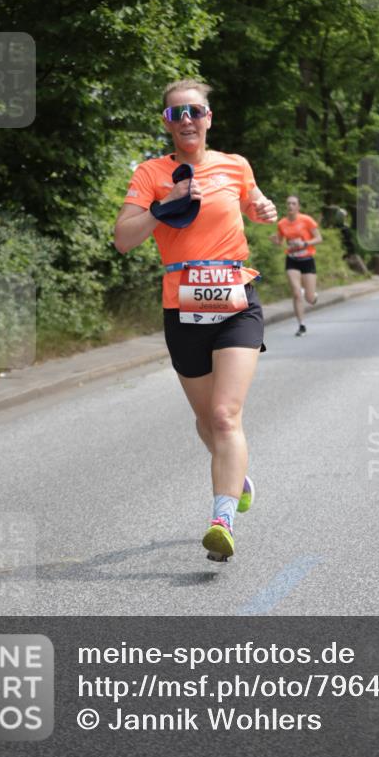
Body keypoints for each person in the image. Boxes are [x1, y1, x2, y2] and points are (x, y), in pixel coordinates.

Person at [114, 79, 277, 561]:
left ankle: (221, 518)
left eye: (195, 111)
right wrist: (162, 210)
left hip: (235, 302)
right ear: (166, 124)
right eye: (175, 114)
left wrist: (263, 208)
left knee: (226, 415)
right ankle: (237, 473)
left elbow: (254, 203)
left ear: (208, 118)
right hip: (182, 307)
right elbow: (124, 238)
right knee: (206, 421)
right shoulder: (151, 174)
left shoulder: (235, 165)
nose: (186, 120)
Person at [271, 195, 322, 336]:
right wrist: (275, 240)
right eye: (288, 204)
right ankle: (301, 325)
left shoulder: (306, 220)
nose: (290, 206)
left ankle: (311, 295)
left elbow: (319, 238)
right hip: (292, 259)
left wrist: (305, 244)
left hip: (307, 259)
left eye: (293, 204)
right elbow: (281, 242)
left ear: (298, 207)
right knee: (296, 292)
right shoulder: (282, 223)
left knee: (310, 299)